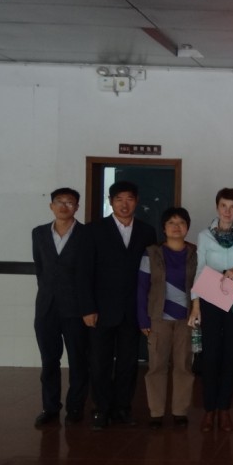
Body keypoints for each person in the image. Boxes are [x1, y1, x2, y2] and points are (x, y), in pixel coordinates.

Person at [80, 181, 157, 430]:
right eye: (119, 199)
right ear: (111, 201)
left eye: (130, 199)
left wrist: (147, 310)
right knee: (99, 362)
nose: (125, 204)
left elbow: (150, 274)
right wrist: (87, 308)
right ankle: (101, 409)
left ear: (137, 201)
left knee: (128, 362)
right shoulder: (94, 230)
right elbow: (84, 272)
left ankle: (123, 408)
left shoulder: (147, 231)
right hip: (100, 309)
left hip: (133, 309)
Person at [188, 188, 233, 433]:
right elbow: (200, 269)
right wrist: (196, 304)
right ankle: (209, 410)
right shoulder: (204, 235)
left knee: (231, 354)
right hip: (210, 294)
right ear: (217, 207)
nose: (228, 211)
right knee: (210, 355)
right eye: (223, 206)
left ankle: (225, 410)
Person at [31, 187, 89, 427]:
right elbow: (40, 268)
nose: (64, 206)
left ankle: (75, 407)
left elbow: (90, 273)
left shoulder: (87, 234)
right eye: (59, 201)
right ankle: (50, 407)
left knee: (78, 361)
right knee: (49, 361)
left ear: (77, 207)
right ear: (51, 206)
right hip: (46, 308)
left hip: (76, 308)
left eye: (70, 202)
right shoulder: (39, 233)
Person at [137, 207, 197, 429]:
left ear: (187, 227)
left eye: (181, 222)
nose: (176, 226)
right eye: (171, 222)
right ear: (164, 228)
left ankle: (180, 411)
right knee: (157, 366)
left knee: (184, 366)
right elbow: (142, 287)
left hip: (187, 320)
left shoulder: (195, 253)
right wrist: (143, 319)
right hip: (158, 319)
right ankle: (156, 412)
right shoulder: (151, 253)